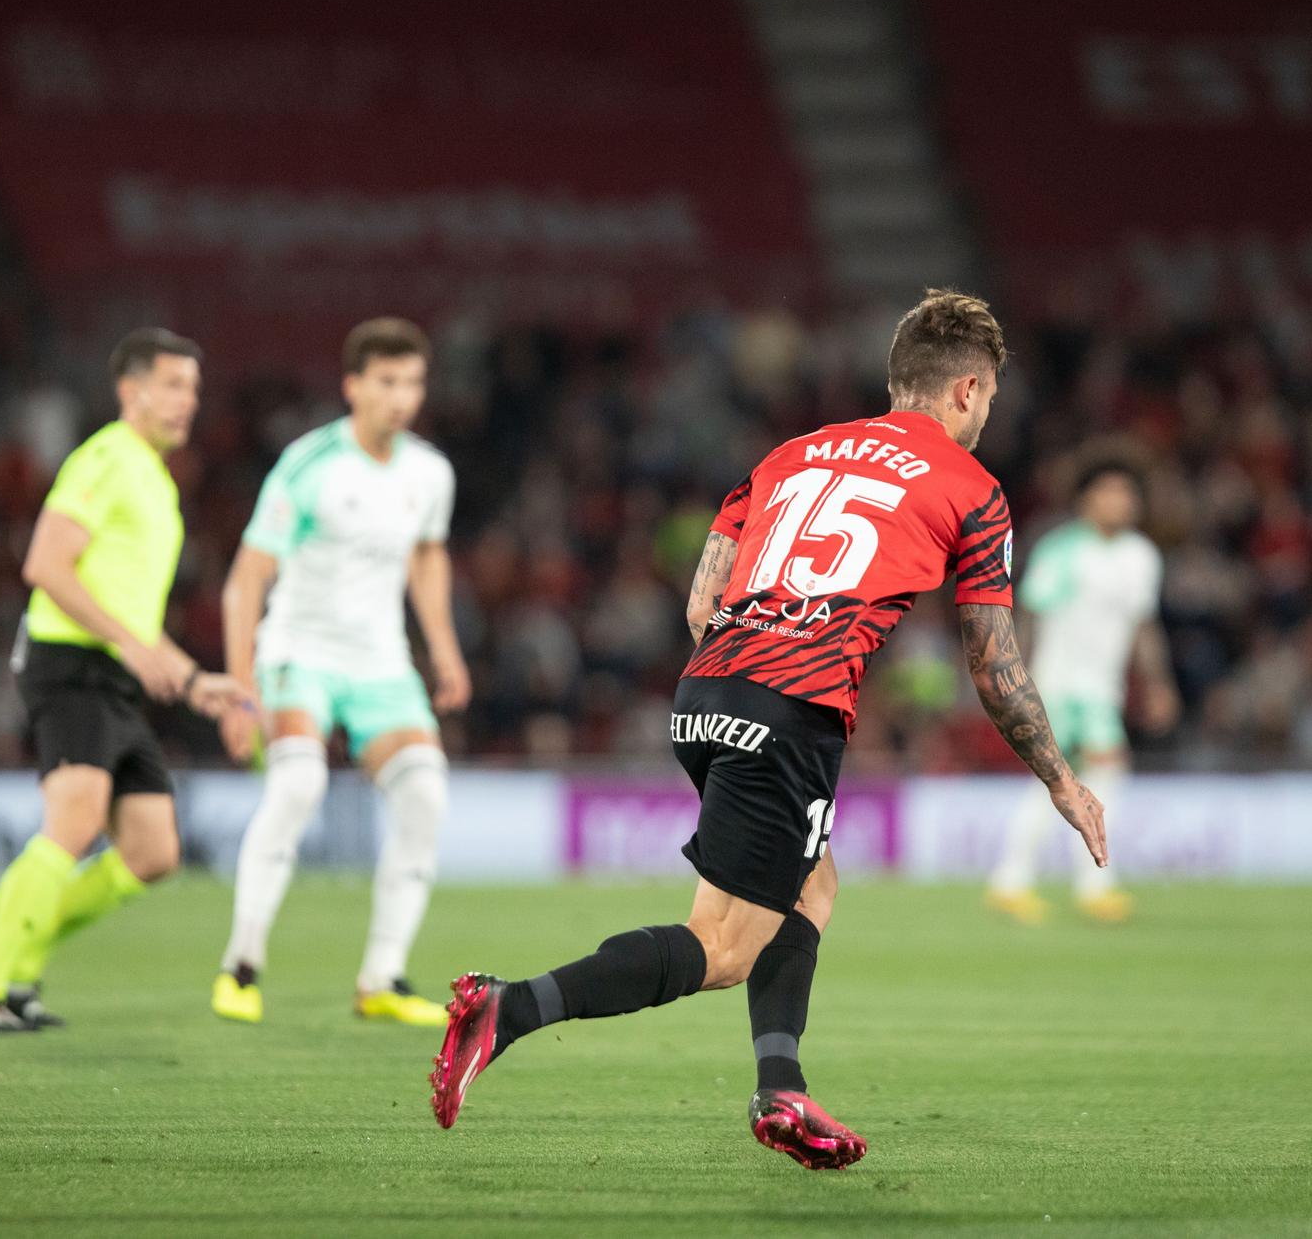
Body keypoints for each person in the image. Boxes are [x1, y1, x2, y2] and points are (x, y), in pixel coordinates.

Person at [427, 289, 1107, 1168]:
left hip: (705, 690)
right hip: (792, 708)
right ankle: (507, 1007)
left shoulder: (792, 454)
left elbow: (703, 598)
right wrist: (1059, 775)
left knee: (811, 885)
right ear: (969, 392)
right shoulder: (973, 489)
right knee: (722, 947)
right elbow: (994, 666)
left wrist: (749, 669)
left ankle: (782, 1086)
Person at [0, 329, 249, 1034]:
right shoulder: (104, 458)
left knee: (153, 850)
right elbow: (45, 564)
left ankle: (20, 968)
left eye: (194, 390)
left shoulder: (154, 478)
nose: (188, 402)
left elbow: (131, 611)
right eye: (174, 385)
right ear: (131, 390)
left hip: (111, 672)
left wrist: (189, 675)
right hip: (70, 661)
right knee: (75, 820)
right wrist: (128, 646)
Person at [211, 318, 468, 1027]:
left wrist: (442, 647)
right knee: (299, 783)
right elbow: (245, 580)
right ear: (352, 385)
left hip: (380, 660)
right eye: (387, 382)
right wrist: (240, 690)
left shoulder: (429, 472)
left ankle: (380, 977)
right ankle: (241, 964)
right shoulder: (308, 464)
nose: (402, 398)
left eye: (413, 382)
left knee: (425, 798)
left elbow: (427, 555)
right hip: (300, 651)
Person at [987, 460, 1177, 924]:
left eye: (1125, 493)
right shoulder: (1063, 550)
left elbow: (1143, 627)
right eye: (1108, 492)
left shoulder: (1141, 556)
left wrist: (1157, 685)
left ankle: (1015, 880)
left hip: (1103, 688)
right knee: (1088, 773)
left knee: (1071, 779)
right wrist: (1017, 681)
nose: (1118, 502)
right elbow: (1030, 615)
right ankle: (1086, 883)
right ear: (1087, 500)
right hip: (1057, 683)